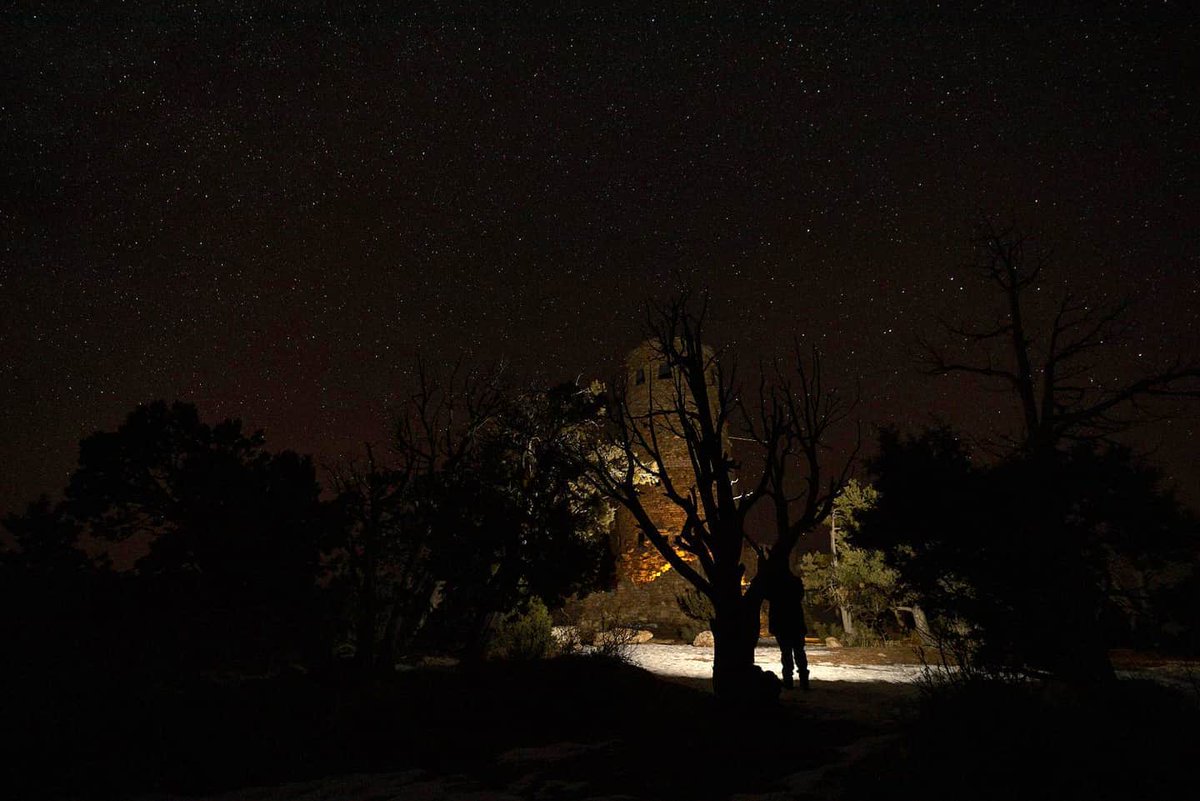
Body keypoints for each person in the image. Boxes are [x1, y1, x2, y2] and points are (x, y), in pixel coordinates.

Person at [768, 565, 810, 690]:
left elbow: (768, 596)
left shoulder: (775, 585)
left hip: (783, 624)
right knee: (798, 651)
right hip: (795, 622)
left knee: (787, 652)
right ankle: (803, 680)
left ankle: (788, 680)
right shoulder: (795, 582)